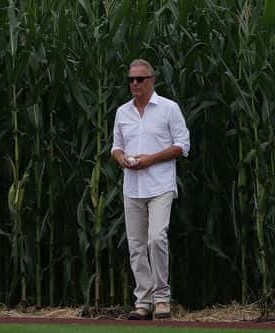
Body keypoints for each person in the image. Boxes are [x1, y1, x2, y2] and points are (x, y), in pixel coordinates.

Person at [111, 59, 190, 320]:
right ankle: (143, 301)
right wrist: (121, 157)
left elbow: (182, 145)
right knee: (136, 246)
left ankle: (162, 298)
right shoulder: (123, 112)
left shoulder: (168, 109)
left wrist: (150, 159)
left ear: (151, 80)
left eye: (139, 79)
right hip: (132, 187)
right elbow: (116, 146)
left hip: (160, 185)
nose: (134, 84)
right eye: (131, 80)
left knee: (156, 239)